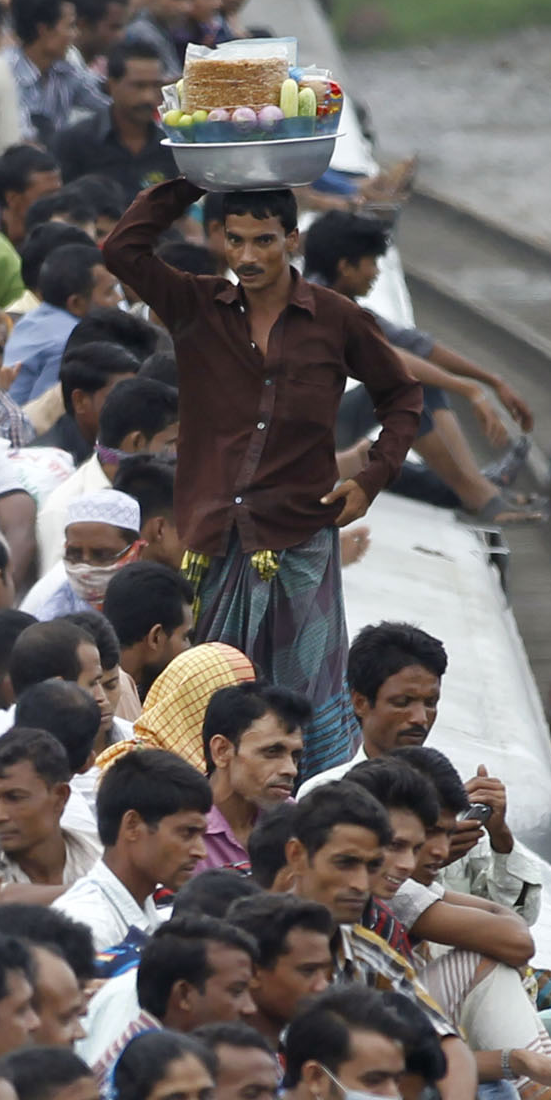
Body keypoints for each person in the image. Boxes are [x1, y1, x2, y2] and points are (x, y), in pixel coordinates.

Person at [98, 180, 422, 778]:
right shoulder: (196, 305)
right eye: (234, 239)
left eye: (265, 241)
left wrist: (371, 479)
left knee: (298, 721)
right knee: (216, 707)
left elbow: (402, 397)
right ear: (219, 238)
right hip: (216, 547)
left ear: (292, 240)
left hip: (298, 546)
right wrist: (201, 177)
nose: (247, 257)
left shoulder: (336, 319)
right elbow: (122, 250)